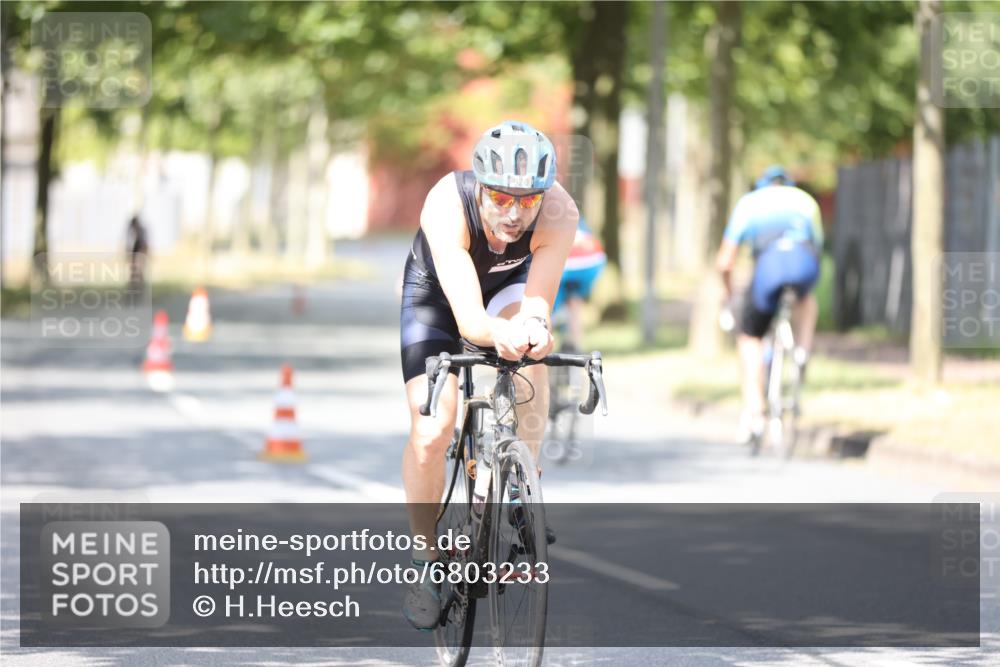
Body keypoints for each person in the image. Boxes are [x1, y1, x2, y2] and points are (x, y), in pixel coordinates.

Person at [399, 121, 578, 630]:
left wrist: (535, 330)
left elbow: (538, 301)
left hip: (507, 288)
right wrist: (492, 334)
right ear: (480, 185)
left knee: (532, 354)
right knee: (432, 428)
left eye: (528, 200)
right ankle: (425, 559)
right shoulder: (445, 203)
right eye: (501, 197)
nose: (514, 213)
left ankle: (522, 486)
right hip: (438, 296)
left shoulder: (560, 211)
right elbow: (470, 321)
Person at [715, 165, 823, 443]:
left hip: (769, 267)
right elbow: (818, 247)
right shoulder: (805, 201)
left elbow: (725, 262)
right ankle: (802, 350)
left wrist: (729, 296)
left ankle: (756, 410)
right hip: (803, 262)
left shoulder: (750, 203)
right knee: (806, 299)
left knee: (749, 336)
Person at [551, 218, 607, 351]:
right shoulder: (575, 217)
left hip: (568, 262)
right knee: (575, 302)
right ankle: (575, 345)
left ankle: (537, 350)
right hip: (592, 260)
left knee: (547, 309)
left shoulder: (544, 217)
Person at [125, 214, 149, 297]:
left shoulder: (142, 232)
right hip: (135, 255)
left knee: (139, 275)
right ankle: (132, 293)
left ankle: (140, 293)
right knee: (133, 275)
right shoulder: (133, 234)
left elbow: (144, 246)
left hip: (140, 255)